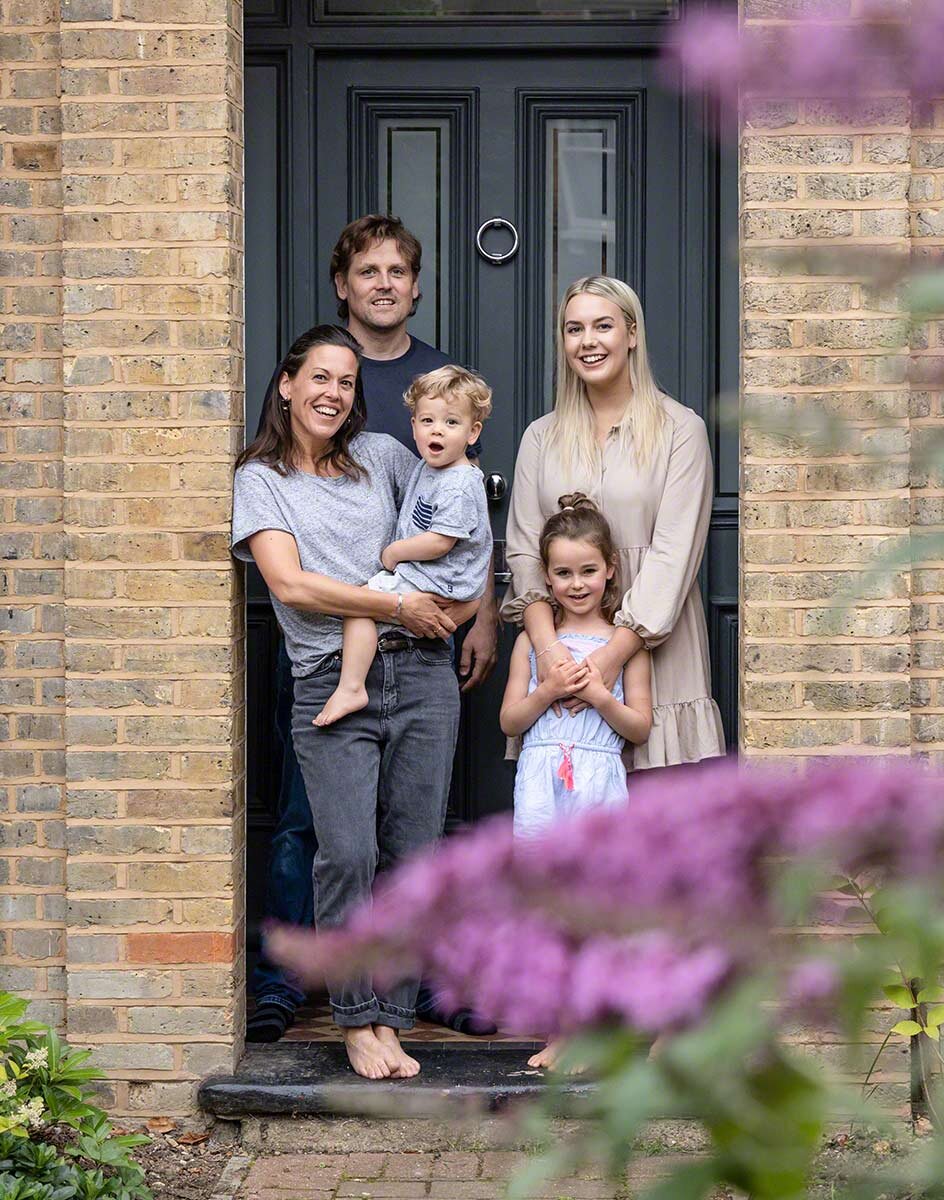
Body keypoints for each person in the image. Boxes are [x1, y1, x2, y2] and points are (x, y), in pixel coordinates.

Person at [248, 216, 498, 1040]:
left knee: (413, 851)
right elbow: (289, 584)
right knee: (337, 848)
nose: (333, 393)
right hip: (330, 669)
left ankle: (396, 1007)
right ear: (287, 384)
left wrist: (470, 612)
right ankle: (331, 1003)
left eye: (347, 383)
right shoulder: (259, 478)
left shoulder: (389, 460)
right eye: (318, 378)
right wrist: (392, 603)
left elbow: (461, 534)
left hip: (421, 670)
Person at [502, 275, 725, 775]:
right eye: (574, 329)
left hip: (657, 648)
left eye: (602, 326)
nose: (588, 342)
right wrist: (551, 654)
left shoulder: (680, 431)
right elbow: (521, 551)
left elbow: (674, 556)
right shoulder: (541, 436)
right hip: (562, 659)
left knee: (656, 825)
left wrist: (608, 658)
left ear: (632, 333)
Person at [500, 493, 652, 1071]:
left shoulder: (624, 647)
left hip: (598, 783)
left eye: (588, 571)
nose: (577, 583)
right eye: (563, 573)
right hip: (541, 784)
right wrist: (546, 690)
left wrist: (594, 693)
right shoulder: (533, 645)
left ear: (610, 569)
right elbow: (509, 722)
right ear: (547, 577)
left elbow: (638, 726)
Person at [315, 366, 493, 727]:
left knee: (360, 604)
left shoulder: (459, 482)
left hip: (442, 576)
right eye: (427, 420)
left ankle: (352, 687)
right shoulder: (430, 469)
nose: (437, 430)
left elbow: (442, 541)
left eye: (451, 423)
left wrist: (393, 553)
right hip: (438, 578)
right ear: (413, 426)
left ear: (473, 431)